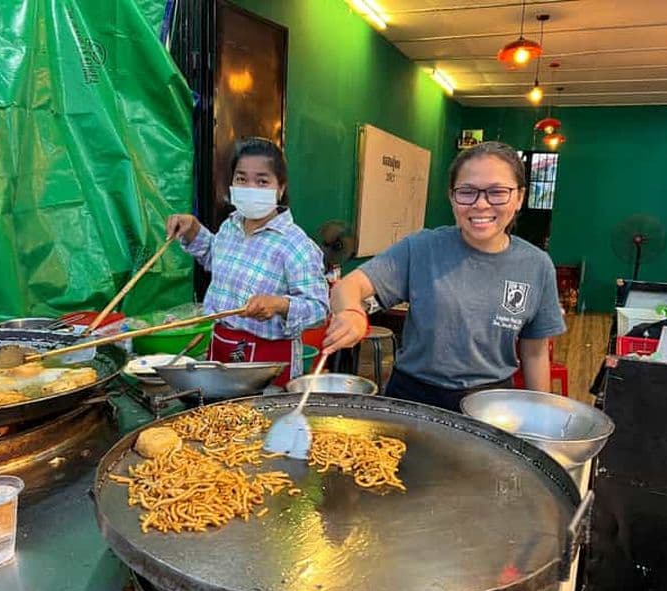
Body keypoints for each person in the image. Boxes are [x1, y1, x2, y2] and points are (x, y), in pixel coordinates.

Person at [323, 141, 566, 411]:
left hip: (492, 404)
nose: (481, 204)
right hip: (413, 397)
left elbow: (534, 352)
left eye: (497, 192)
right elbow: (347, 287)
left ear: (519, 197)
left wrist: (541, 417)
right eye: (467, 192)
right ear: (452, 197)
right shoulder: (421, 248)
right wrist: (352, 314)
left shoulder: (536, 265)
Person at [166, 137, 329, 385]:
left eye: (262, 181)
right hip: (220, 348)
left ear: (281, 188)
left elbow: (319, 309)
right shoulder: (230, 226)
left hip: (268, 362)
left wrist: (279, 304)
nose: (250, 187)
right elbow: (215, 257)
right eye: (241, 179)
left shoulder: (296, 245)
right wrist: (193, 228)